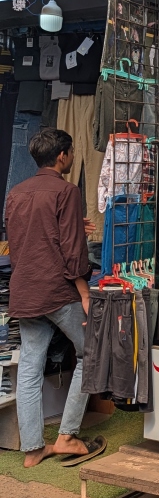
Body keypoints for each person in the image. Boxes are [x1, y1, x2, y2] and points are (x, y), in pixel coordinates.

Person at [5, 128, 94, 467]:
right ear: (62, 156)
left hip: (25, 289)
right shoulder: (66, 191)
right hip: (57, 290)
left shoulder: (16, 192)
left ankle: (32, 450)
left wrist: (70, 223)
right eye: (70, 153)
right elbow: (72, 252)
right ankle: (67, 436)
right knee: (90, 354)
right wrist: (84, 292)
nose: (71, 158)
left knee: (30, 366)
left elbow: (25, 237)